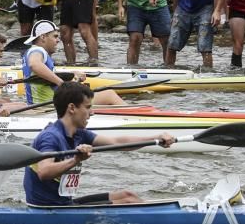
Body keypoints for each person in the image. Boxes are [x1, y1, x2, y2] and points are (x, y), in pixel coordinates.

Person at [23, 82, 175, 207]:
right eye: (88, 107)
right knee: (128, 201)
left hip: (64, 203)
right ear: (72, 108)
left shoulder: (79, 134)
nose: (92, 113)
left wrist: (156, 138)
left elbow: (117, 143)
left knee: (128, 196)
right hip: (48, 209)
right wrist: (76, 160)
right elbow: (44, 172)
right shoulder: (50, 137)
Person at [22, 19, 125, 106]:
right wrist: (62, 84)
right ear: (43, 37)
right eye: (55, 36)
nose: (58, 40)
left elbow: (45, 76)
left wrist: (72, 75)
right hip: (50, 107)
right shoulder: (38, 51)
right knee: (109, 95)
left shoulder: (31, 51)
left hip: (47, 103)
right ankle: (138, 118)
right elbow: (34, 64)